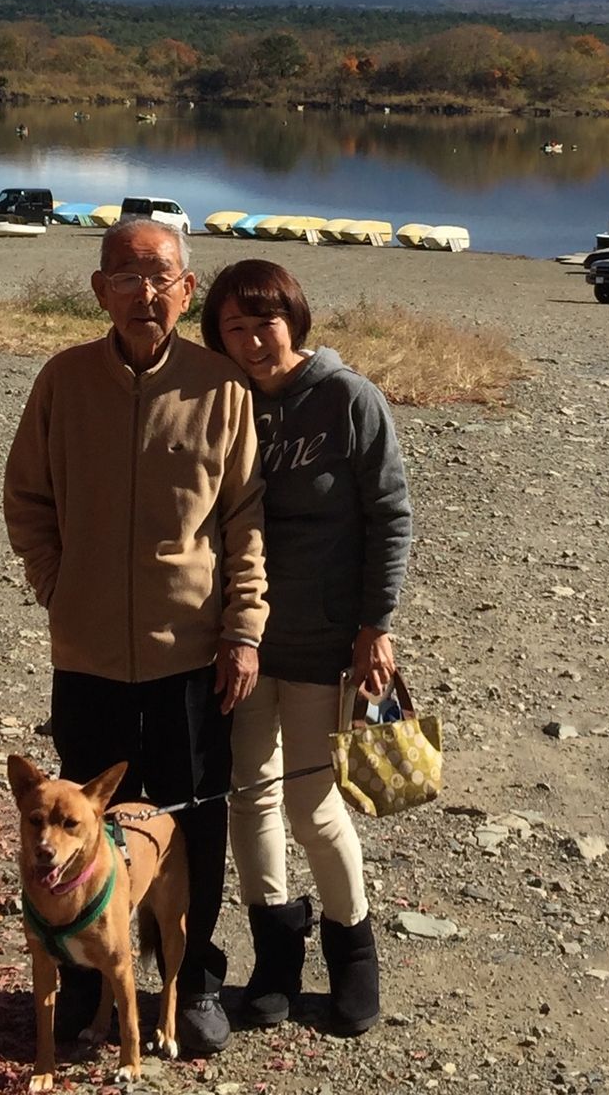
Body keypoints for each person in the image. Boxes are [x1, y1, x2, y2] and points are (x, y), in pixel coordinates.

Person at [4, 218, 267, 1056]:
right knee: (84, 821)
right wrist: (58, 586)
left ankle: (193, 979)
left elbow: (245, 521)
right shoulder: (63, 381)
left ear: (187, 291)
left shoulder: (221, 388)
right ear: (100, 290)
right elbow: (27, 500)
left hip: (192, 655)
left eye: (161, 278)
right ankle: (86, 979)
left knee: (193, 822)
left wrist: (243, 630)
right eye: (127, 276)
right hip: (88, 657)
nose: (145, 294)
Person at [201, 259, 412, 1037]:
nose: (254, 341)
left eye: (266, 322)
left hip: (327, 641)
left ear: (294, 319)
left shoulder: (347, 398)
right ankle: (276, 961)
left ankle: (354, 954)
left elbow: (390, 514)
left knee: (313, 804)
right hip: (240, 641)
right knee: (249, 796)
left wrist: (375, 624)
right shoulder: (224, 402)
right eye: (235, 328)